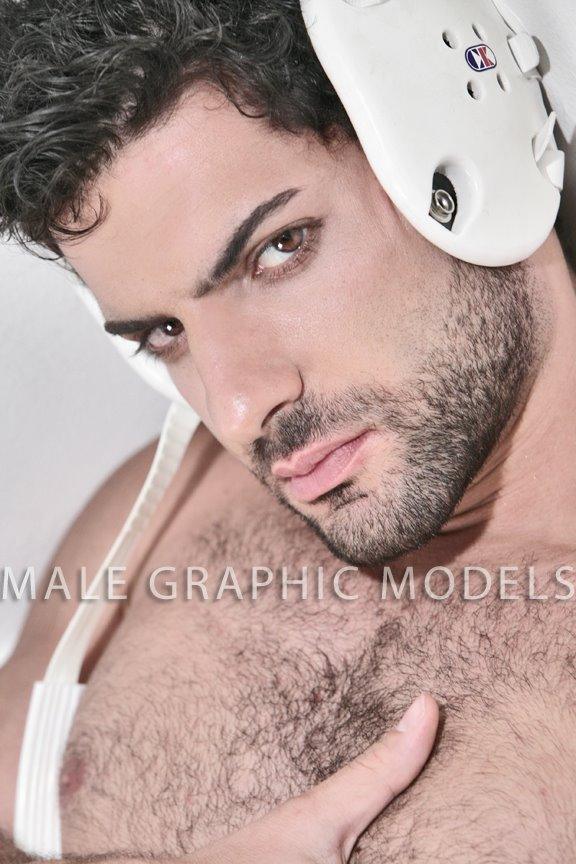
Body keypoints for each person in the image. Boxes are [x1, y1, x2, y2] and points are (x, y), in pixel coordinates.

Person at [0, 0, 575, 861]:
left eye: (277, 250)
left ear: (460, 156)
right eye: (164, 332)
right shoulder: (163, 515)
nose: (236, 409)